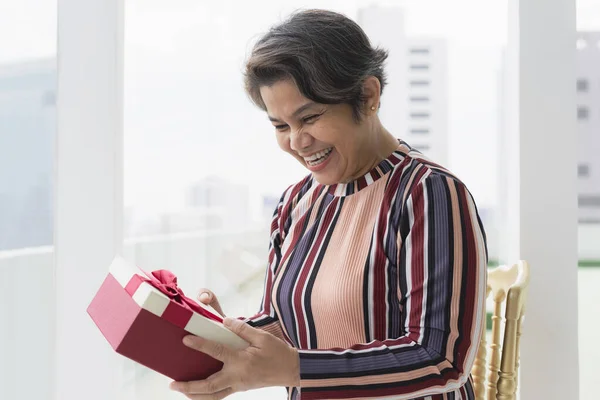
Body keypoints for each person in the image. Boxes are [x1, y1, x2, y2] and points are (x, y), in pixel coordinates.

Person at [169, 9, 487, 400]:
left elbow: (441, 359)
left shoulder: (429, 194)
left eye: (311, 117)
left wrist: (295, 368)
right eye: (281, 126)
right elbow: (284, 323)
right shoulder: (295, 202)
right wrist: (226, 339)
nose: (297, 142)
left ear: (367, 96)